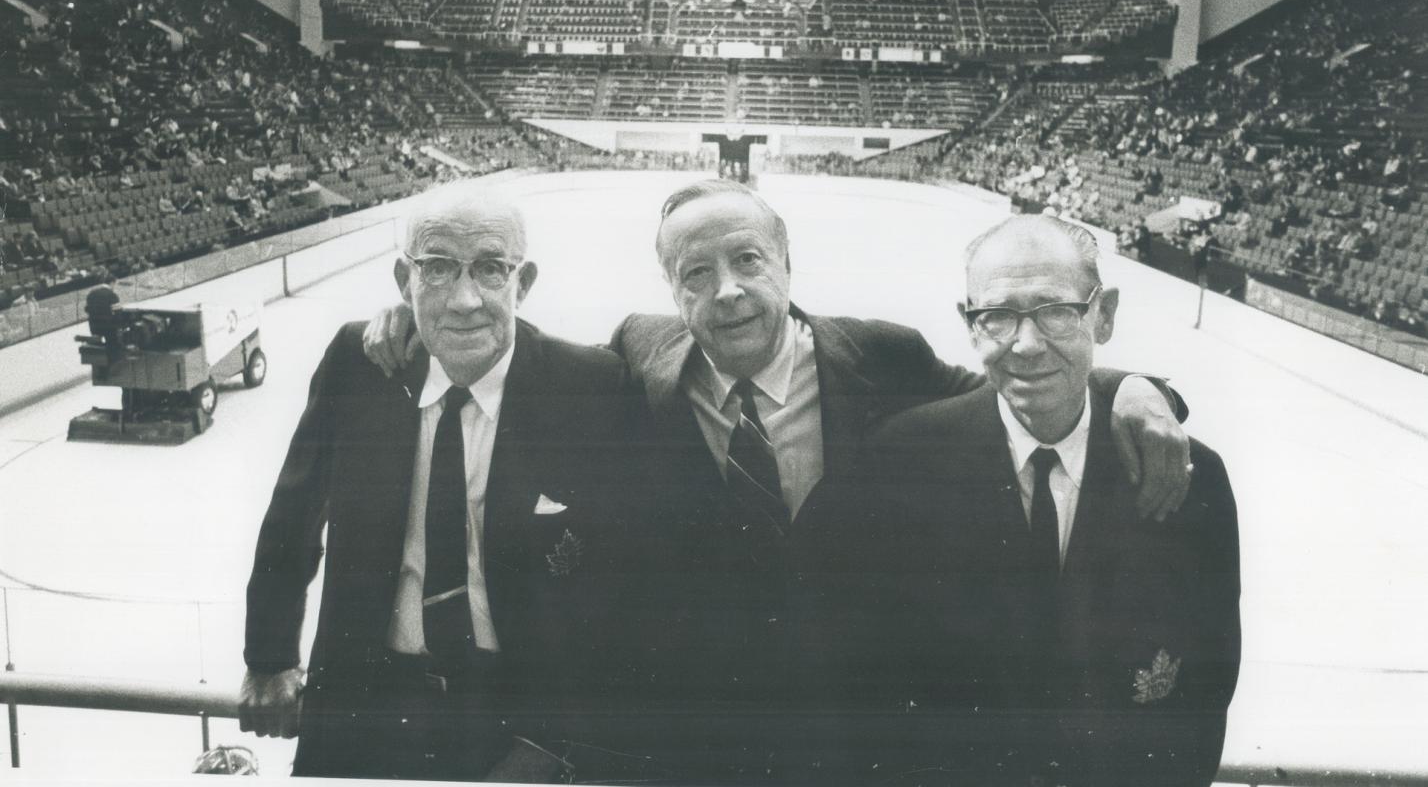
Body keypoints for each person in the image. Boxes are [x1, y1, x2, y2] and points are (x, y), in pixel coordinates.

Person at [363, 179, 1192, 783]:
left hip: (856, 735)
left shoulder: (881, 356)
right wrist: (417, 315)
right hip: (693, 741)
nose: (726, 291)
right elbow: (514, 347)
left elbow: (1016, 385)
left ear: (788, 266)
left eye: (747, 261)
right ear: (670, 292)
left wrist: (1134, 387)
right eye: (695, 273)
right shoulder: (637, 358)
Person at [812, 214, 1240, 786]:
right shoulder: (900, 464)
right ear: (969, 324)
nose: (1027, 344)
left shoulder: (1190, 476)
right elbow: (866, 688)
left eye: (1056, 311)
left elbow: (1203, 697)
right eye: (998, 316)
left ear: (1103, 314)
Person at [239, 180, 643, 782]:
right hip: (364, 706)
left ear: (523, 283)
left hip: (516, 719)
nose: (464, 299)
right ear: (404, 281)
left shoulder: (589, 387)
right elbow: (292, 515)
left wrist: (558, 737)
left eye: (489, 270)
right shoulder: (360, 364)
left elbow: (622, 589)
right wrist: (269, 659)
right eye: (437, 269)